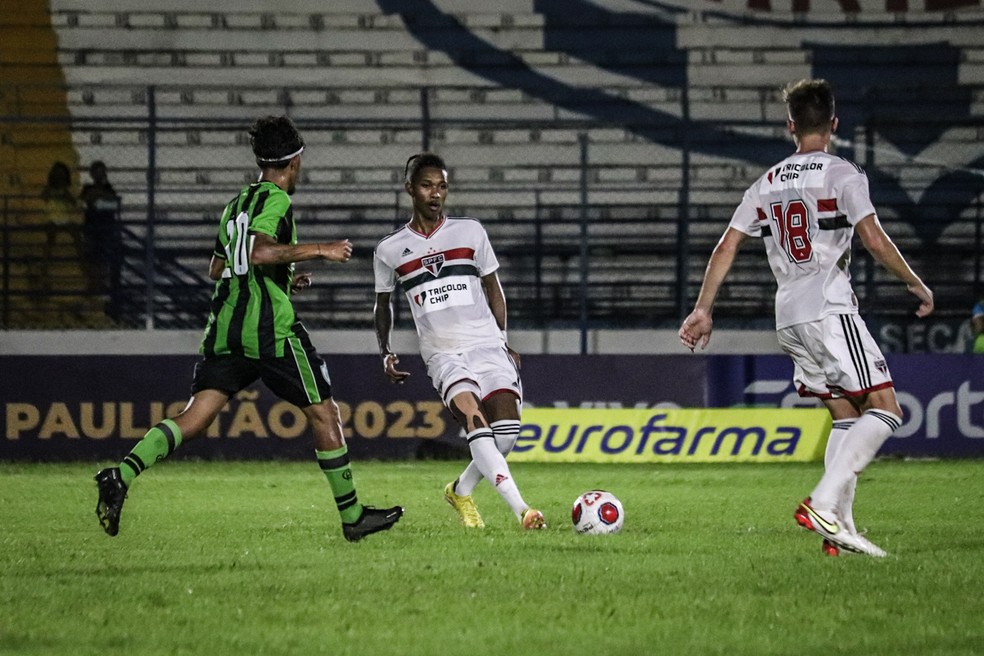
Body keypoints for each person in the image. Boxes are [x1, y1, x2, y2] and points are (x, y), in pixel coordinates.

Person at [94, 115, 403, 542]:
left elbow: (218, 267)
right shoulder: (277, 199)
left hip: (225, 327)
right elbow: (258, 253)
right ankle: (353, 517)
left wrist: (285, 276)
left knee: (195, 417)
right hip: (270, 331)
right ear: (294, 162)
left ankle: (121, 473)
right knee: (324, 412)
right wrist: (320, 250)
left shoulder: (235, 205)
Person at [678, 79, 934, 558]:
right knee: (886, 408)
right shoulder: (843, 174)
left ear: (790, 126)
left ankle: (839, 531)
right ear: (834, 124)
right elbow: (874, 239)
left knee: (844, 415)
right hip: (828, 305)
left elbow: (726, 246)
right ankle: (821, 504)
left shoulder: (767, 181)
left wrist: (703, 309)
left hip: (789, 314)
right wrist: (915, 282)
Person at [373, 152, 545, 531]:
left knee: (507, 433)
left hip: (486, 344)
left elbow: (494, 287)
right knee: (476, 425)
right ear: (409, 189)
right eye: (426, 185)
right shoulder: (389, 249)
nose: (436, 194)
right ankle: (523, 511)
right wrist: (385, 351)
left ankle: (460, 490)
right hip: (443, 353)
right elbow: (382, 305)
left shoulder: (471, 232)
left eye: (442, 186)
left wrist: (502, 339)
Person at [79, 161, 122, 318]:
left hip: (105, 233)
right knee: (91, 269)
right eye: (96, 171)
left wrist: (102, 197)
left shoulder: (108, 188)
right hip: (92, 232)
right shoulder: (87, 188)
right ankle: (89, 303)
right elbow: (87, 198)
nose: (99, 175)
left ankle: (102, 305)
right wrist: (102, 198)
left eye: (101, 172)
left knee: (104, 269)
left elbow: (115, 201)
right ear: (91, 174)